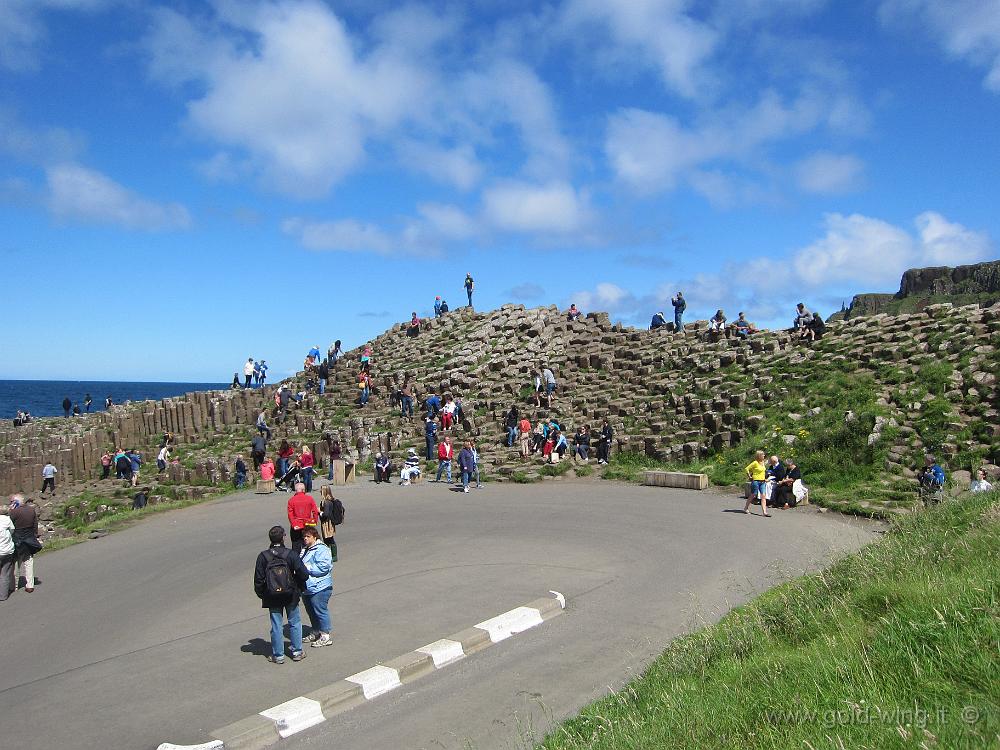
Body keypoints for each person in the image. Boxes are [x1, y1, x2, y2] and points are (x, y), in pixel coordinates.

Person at [253, 525, 310, 664]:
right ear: (284, 537)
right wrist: (298, 587)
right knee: (295, 622)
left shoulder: (263, 556)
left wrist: (263, 594)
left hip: (272, 596)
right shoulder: (290, 554)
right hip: (290, 594)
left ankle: (278, 655)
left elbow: (258, 580)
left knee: (276, 625)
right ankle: (297, 652)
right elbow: (304, 574)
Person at [298, 525, 333, 647]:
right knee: (311, 611)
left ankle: (325, 635)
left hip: (320, 587)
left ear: (314, 537)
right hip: (308, 588)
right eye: (304, 537)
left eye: (308, 536)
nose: (305, 539)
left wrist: (308, 568)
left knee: (320, 610)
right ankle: (315, 631)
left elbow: (324, 567)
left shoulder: (321, 549)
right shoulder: (305, 549)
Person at [10, 495, 40, 593]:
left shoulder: (14, 512)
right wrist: (35, 535)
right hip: (29, 539)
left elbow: (10, 526)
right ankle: (30, 585)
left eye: (12, 501)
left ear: (16, 502)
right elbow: (35, 525)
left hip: (17, 539)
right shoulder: (31, 510)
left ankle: (14, 585)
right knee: (29, 562)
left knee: (16, 563)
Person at [287, 482, 319, 553]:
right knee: (308, 544)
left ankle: (296, 561)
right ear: (303, 490)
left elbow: (290, 514)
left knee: (296, 545)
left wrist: (293, 524)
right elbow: (315, 511)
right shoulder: (309, 499)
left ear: (296, 490)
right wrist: (314, 521)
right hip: (307, 525)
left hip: (296, 525)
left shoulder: (291, 500)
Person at [319, 486, 342, 561]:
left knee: (329, 539)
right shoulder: (330, 500)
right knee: (328, 539)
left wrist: (320, 512)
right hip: (329, 522)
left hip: (327, 523)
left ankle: (333, 556)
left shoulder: (326, 502)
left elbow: (326, 514)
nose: (319, 491)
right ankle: (331, 555)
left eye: (321, 490)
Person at [744, 450, 769, 516]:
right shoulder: (755, 463)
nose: (764, 456)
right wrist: (749, 476)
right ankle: (746, 507)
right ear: (759, 456)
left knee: (763, 496)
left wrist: (765, 478)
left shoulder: (763, 462)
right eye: (763, 455)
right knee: (753, 495)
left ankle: (764, 512)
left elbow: (763, 472)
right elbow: (747, 468)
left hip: (762, 481)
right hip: (756, 481)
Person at [0, 503, 15, 601]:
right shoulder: (8, 520)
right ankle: (3, 595)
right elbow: (12, 531)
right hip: (8, 550)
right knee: (5, 573)